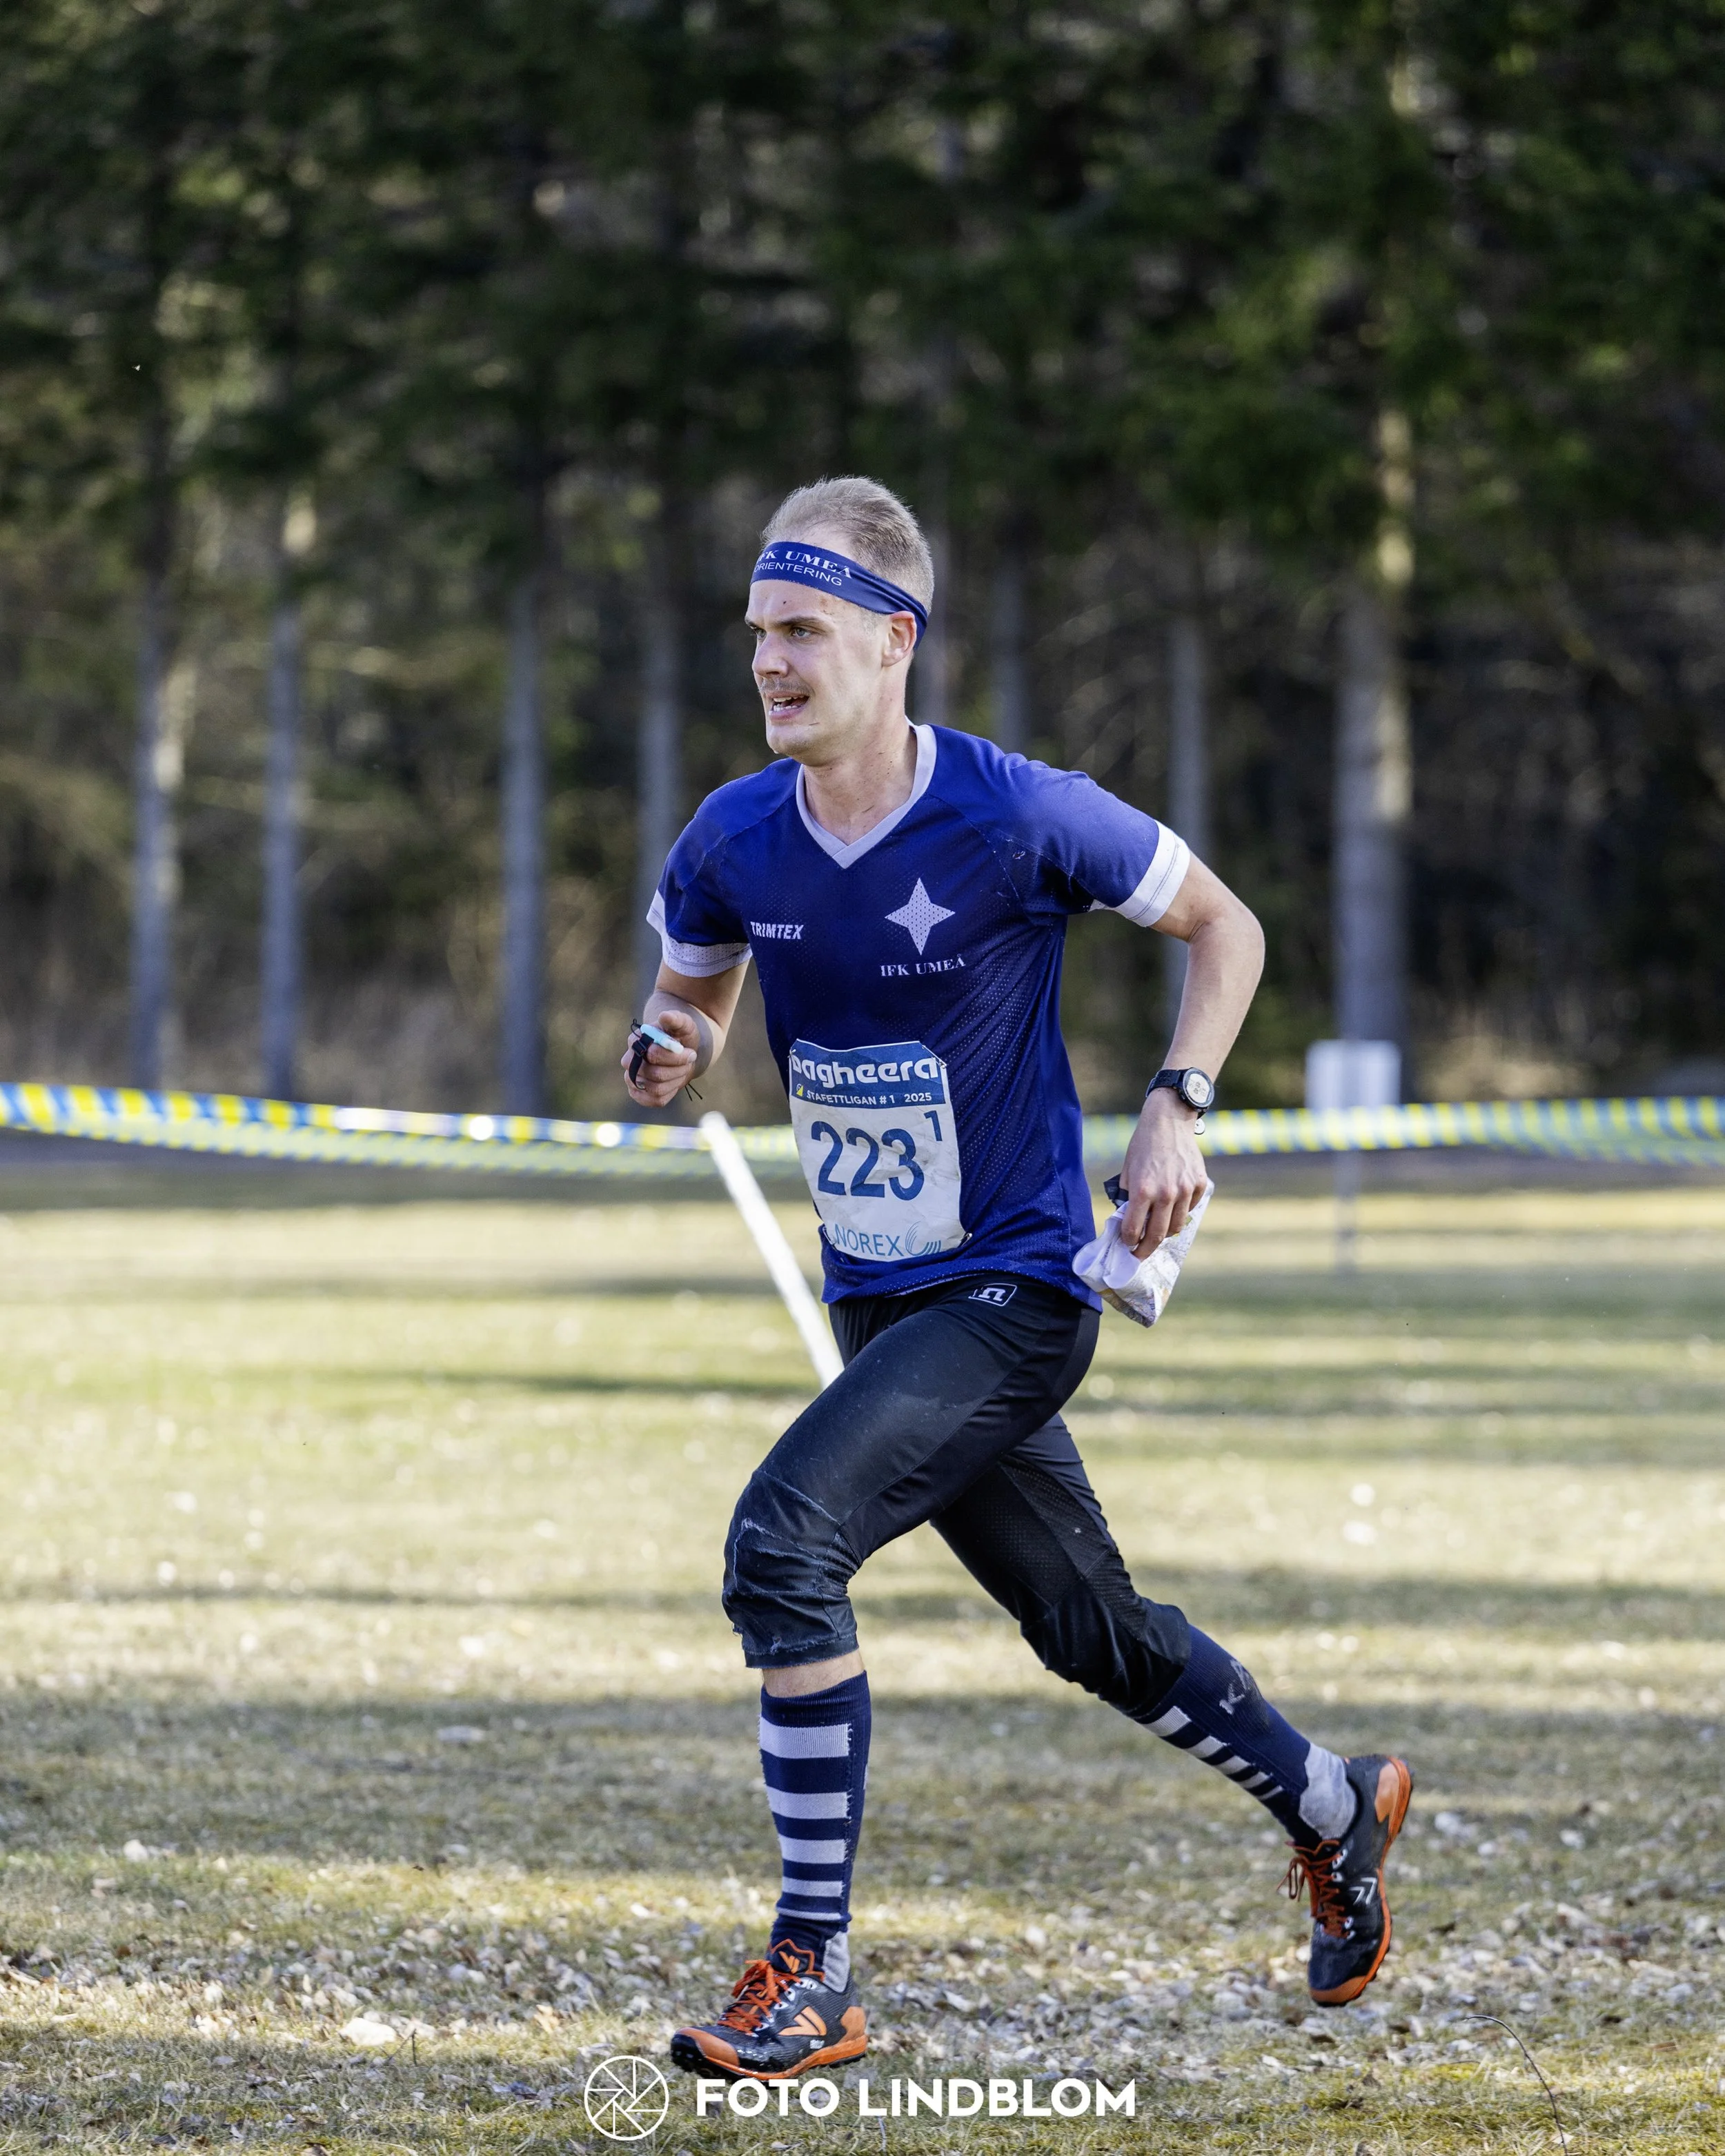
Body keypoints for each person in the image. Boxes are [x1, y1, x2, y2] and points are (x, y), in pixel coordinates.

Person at [622, 477, 1413, 2085]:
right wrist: (671, 1044)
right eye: (756, 634)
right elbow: (689, 986)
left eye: (802, 633)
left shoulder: (1013, 811)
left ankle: (812, 1967)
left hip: (1017, 1291)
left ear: (891, 639)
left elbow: (1224, 927)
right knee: (1089, 1627)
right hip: (878, 1299)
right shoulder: (730, 832)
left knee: (781, 1545)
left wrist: (1176, 1099)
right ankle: (1334, 1802)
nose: (768, 664)